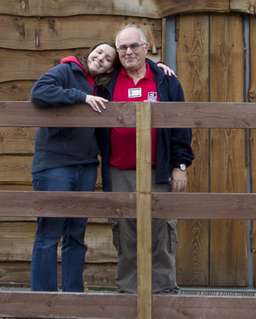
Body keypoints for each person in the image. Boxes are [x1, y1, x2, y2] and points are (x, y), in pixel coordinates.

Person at [30, 40, 175, 292]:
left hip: (85, 166)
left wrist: (157, 66)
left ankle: (73, 296)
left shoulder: (101, 84)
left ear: (110, 68)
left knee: (76, 235)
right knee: (49, 234)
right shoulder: (67, 70)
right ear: (89, 52)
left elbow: (137, 65)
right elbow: (39, 92)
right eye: (99, 53)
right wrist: (81, 97)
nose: (101, 59)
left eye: (108, 58)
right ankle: (44, 300)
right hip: (55, 165)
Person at [97, 24, 194, 294]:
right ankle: (129, 295)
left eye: (134, 46)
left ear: (146, 48)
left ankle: (164, 295)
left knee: (161, 234)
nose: (129, 52)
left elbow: (182, 126)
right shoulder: (107, 82)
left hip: (159, 171)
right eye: (123, 48)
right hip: (119, 170)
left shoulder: (165, 80)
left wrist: (180, 166)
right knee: (125, 235)